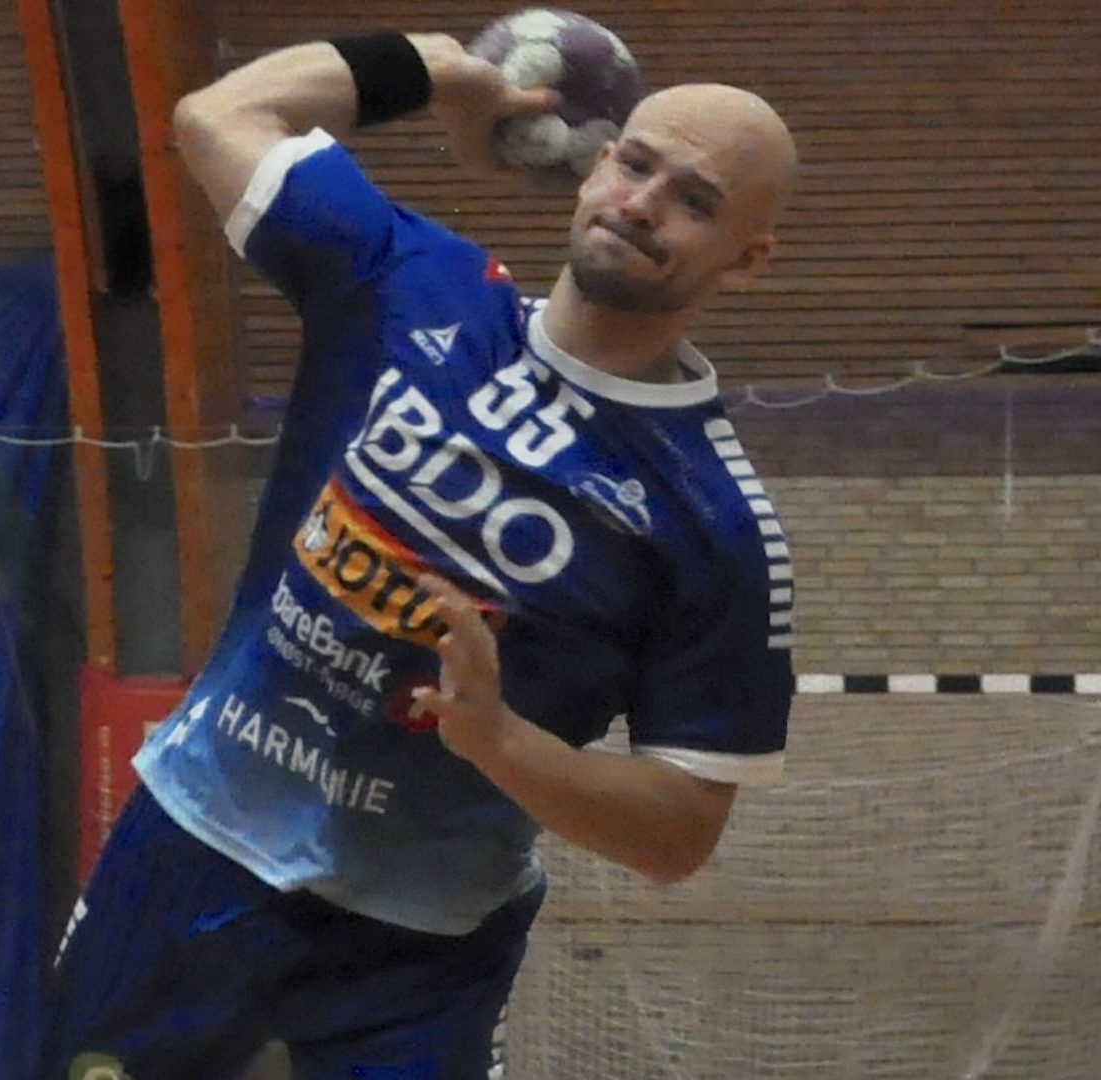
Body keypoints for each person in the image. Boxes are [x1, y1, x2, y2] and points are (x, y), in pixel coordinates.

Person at [45, 26, 799, 1080]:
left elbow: (680, 834)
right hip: (192, 849)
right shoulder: (412, 282)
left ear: (747, 259)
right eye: (635, 164)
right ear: (594, 164)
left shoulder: (715, 525)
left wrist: (499, 742)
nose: (642, 204)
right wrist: (439, 70)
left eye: (695, 201)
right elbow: (218, 115)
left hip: (416, 955)